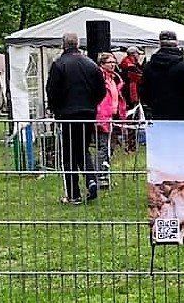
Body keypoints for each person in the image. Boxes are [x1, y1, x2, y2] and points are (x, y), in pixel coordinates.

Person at [45, 33, 105, 204]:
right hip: (87, 113)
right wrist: (92, 105)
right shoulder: (91, 64)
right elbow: (101, 90)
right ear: (78, 44)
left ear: (63, 45)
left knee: (69, 154)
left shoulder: (59, 64)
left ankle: (73, 194)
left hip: (67, 115)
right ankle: (91, 180)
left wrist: (56, 110)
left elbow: (52, 91)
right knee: (83, 149)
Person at [140, 30, 184, 120]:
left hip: (157, 113)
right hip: (183, 115)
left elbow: (143, 92)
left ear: (160, 44)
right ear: (176, 43)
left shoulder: (149, 66)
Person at [95, 53, 127, 188]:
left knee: (110, 146)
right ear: (102, 64)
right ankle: (99, 176)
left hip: (113, 116)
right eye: (109, 62)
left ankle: (105, 173)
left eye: (114, 62)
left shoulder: (113, 78)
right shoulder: (100, 78)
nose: (113, 65)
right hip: (102, 116)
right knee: (103, 146)